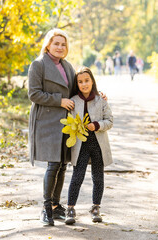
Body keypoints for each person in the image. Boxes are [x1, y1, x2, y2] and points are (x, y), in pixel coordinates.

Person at [28, 28, 76, 226]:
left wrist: (97, 96)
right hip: (46, 121)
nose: (60, 47)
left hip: (66, 123)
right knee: (53, 164)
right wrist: (60, 101)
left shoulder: (68, 67)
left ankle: (56, 207)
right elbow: (34, 94)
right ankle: (46, 208)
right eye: (56, 43)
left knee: (63, 164)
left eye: (63, 44)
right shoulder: (38, 65)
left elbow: (76, 91)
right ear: (48, 44)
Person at [64, 67, 113, 225]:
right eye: (80, 82)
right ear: (76, 84)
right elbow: (69, 121)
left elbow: (110, 121)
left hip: (98, 144)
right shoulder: (73, 101)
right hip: (80, 145)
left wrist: (97, 125)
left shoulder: (101, 100)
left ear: (92, 81)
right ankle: (70, 208)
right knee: (77, 176)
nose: (84, 84)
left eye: (87, 81)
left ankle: (96, 207)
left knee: (98, 177)